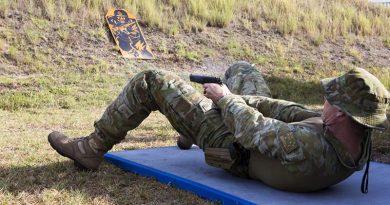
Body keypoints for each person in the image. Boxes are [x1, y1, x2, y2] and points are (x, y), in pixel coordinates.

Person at [48, 62, 389, 193]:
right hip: (251, 130)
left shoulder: (312, 149)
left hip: (230, 143)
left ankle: (90, 149)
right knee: (243, 69)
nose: (324, 101)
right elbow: (292, 112)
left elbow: (252, 130)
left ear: (343, 114)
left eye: (330, 98)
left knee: (150, 81)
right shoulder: (357, 137)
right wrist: (238, 97)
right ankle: (190, 122)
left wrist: (226, 101)